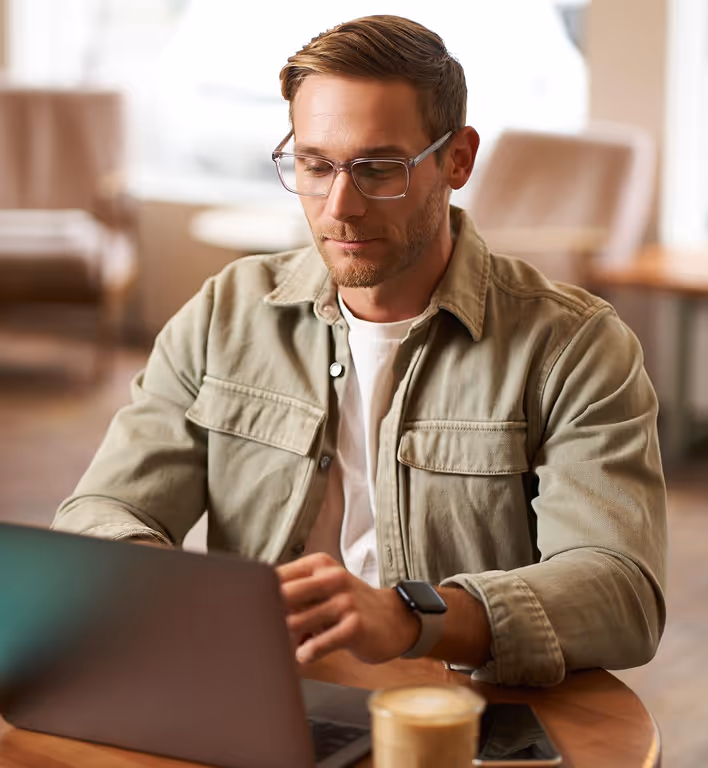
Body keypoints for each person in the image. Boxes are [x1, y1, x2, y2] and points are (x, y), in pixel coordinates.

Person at [52, 15, 667, 687]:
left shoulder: (574, 346)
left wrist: (411, 617)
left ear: (457, 159)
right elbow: (102, 512)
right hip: (262, 700)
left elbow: (621, 591)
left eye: (379, 169)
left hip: (458, 712)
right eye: (315, 166)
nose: (340, 206)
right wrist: (162, 585)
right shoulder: (225, 314)